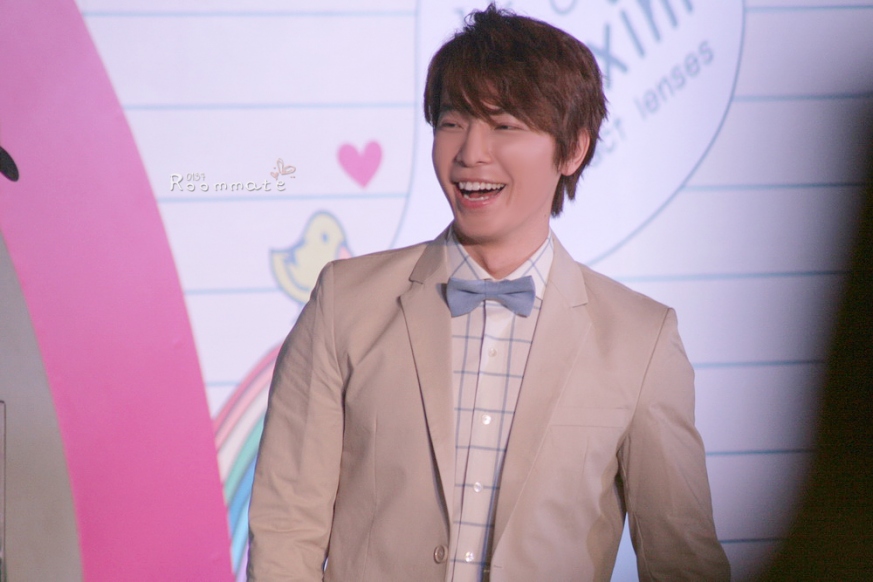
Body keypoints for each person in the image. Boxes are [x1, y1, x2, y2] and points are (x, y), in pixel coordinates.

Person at [247, 4, 730, 581]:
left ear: (573, 149)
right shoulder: (345, 303)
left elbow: (682, 561)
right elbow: (285, 529)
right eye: (453, 122)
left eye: (503, 126)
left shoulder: (639, 339)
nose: (471, 153)